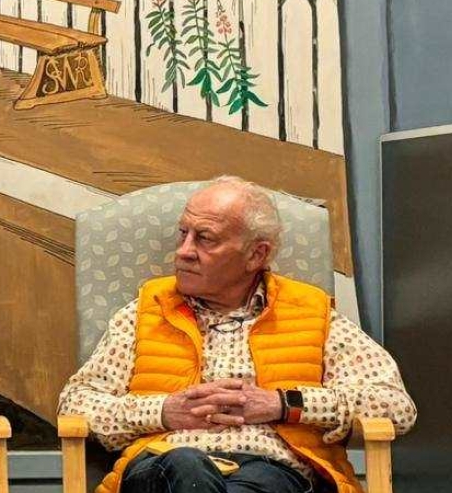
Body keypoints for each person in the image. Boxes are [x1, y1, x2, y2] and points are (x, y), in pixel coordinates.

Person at [59, 176, 417, 492]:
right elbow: (76, 402)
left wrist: (283, 404)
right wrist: (162, 411)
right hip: (164, 465)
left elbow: (394, 405)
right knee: (185, 465)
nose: (183, 252)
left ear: (256, 255)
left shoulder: (311, 313)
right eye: (183, 234)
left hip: (270, 471)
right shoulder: (144, 312)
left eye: (205, 239)